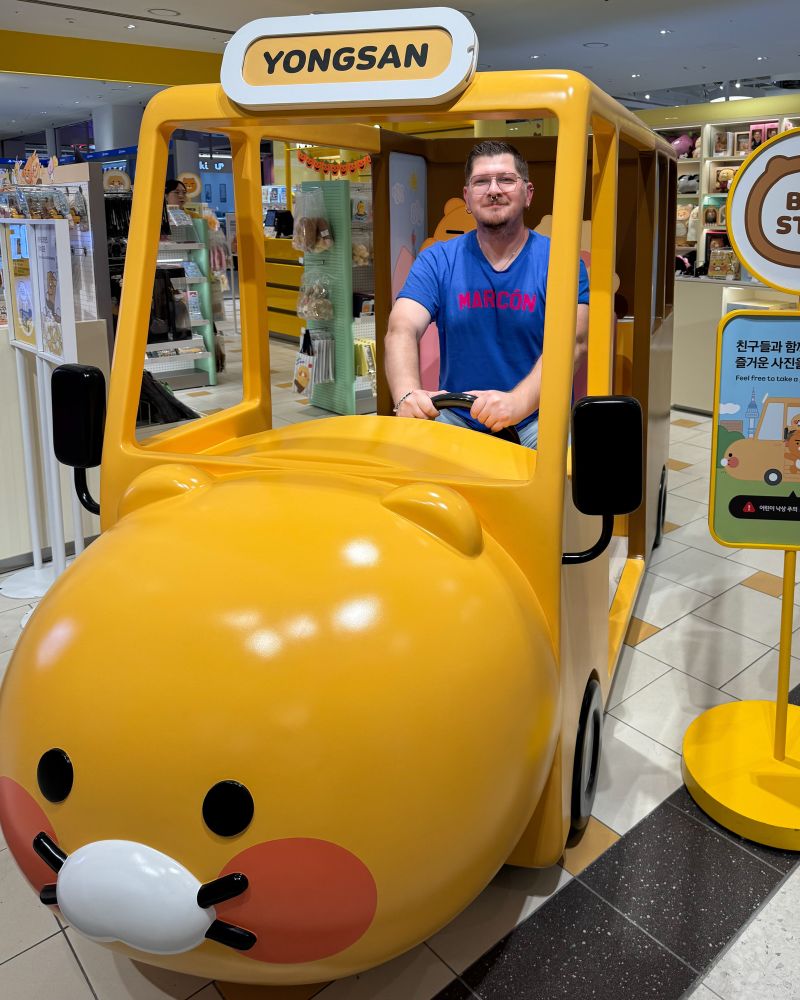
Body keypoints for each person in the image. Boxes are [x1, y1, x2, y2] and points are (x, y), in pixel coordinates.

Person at [384, 140, 589, 448]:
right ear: (467, 196)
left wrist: (518, 403)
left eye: (506, 179)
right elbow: (401, 328)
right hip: (456, 417)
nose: (494, 190)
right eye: (481, 181)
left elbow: (573, 343)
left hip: (535, 421)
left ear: (527, 193)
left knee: (554, 485)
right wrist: (406, 395)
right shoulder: (438, 259)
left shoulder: (560, 260)